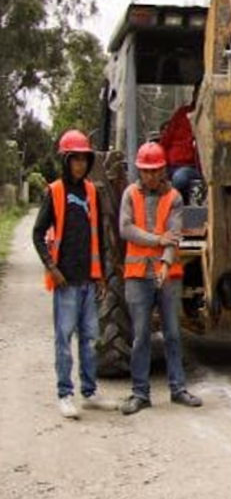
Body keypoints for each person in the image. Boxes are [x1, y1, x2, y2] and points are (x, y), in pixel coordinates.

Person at [32, 130, 118, 419]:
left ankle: (90, 392)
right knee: (64, 339)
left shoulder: (92, 191)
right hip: (66, 281)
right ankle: (65, 394)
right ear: (66, 161)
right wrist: (51, 268)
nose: (80, 164)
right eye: (75, 159)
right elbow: (37, 233)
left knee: (91, 339)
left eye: (84, 158)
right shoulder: (55, 191)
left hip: (88, 281)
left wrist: (102, 275)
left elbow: (99, 236)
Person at [119, 141, 202, 415]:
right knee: (141, 336)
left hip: (168, 276)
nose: (151, 176)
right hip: (137, 275)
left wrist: (166, 262)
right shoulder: (130, 194)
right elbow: (126, 229)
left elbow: (174, 234)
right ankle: (140, 393)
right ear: (139, 171)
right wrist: (158, 240)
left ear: (163, 170)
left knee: (173, 334)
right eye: (146, 171)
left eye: (155, 171)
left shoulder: (175, 197)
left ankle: (178, 389)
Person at [159, 81, 202, 204]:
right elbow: (165, 141)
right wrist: (161, 166)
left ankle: (179, 208)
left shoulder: (212, 118)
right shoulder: (182, 114)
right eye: (198, 92)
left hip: (193, 168)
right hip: (172, 165)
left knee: (180, 178)